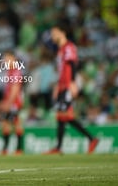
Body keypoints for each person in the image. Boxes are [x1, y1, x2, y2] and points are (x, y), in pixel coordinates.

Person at [45, 24, 99, 154]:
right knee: (61, 115)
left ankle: (91, 138)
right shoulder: (60, 49)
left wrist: (73, 83)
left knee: (65, 115)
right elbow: (62, 70)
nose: (52, 36)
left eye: (54, 33)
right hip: (63, 85)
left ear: (62, 32)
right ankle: (59, 147)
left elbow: (72, 64)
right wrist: (58, 86)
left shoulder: (69, 47)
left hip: (68, 85)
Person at [0, 51, 24, 155]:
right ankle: (12, 149)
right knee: (7, 123)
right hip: (11, 101)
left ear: (13, 59)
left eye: (7, 59)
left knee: (12, 124)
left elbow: (15, 89)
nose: (5, 62)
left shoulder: (15, 71)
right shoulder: (10, 71)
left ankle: (17, 149)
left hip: (14, 102)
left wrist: (9, 103)